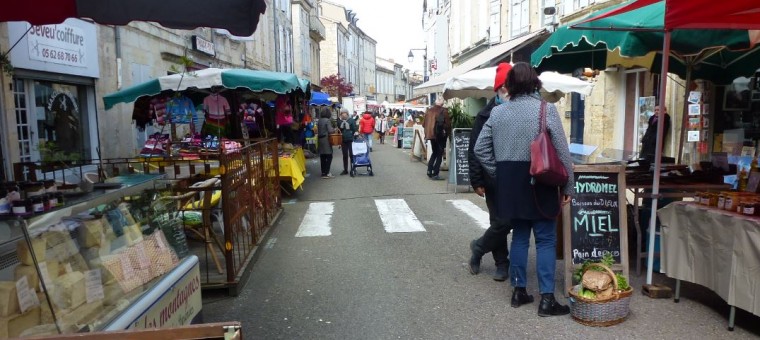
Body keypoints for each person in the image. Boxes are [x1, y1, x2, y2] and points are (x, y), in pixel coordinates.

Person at [474, 62, 575, 317]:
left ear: (510, 85)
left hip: (510, 183)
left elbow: (479, 149)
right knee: (545, 240)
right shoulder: (546, 110)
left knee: (519, 237)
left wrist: (499, 174)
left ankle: (518, 292)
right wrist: (568, 185)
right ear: (535, 82)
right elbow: (562, 151)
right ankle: (547, 299)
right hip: (540, 181)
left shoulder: (498, 113)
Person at [467, 62, 513, 282]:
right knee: (500, 222)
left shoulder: (517, 110)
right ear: (497, 89)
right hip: (492, 178)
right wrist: (476, 180)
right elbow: (474, 149)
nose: (507, 91)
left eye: (510, 86)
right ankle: (501, 264)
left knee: (508, 220)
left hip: (514, 178)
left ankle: (478, 246)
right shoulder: (484, 115)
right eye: (503, 87)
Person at [423, 97, 451, 180]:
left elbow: (423, 124)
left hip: (431, 135)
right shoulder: (444, 111)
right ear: (442, 103)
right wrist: (449, 134)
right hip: (440, 135)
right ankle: (435, 173)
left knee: (434, 152)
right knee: (439, 154)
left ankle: (429, 170)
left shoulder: (429, 111)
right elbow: (448, 125)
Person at [317, 107, 337, 179]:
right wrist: (334, 129)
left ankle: (323, 172)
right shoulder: (327, 120)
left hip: (320, 140)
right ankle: (327, 172)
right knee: (329, 156)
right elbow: (330, 130)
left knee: (322, 156)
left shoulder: (319, 120)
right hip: (326, 140)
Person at [337, 108, 357, 175]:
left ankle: (352, 168)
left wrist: (351, 133)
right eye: (342, 113)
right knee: (345, 155)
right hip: (343, 140)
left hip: (351, 139)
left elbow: (354, 129)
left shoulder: (351, 120)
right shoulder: (339, 121)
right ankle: (345, 170)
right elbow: (339, 129)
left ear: (347, 114)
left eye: (344, 113)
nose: (343, 115)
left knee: (351, 155)